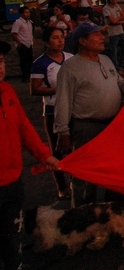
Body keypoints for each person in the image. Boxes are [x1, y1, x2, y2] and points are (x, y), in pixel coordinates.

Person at [54, 22, 124, 207]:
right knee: (86, 176)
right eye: (97, 35)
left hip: (112, 126)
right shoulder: (71, 67)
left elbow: (120, 86)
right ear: (83, 41)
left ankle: (112, 212)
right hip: (86, 127)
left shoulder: (106, 60)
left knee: (115, 172)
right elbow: (63, 101)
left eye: (102, 34)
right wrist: (63, 132)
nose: (102, 37)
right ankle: (83, 218)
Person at [0, 41, 59, 270]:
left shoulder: (7, 91)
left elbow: (23, 127)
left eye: (1, 61)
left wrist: (45, 155)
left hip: (12, 181)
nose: (0, 67)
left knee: (12, 233)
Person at [29, 26, 72, 201]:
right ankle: (62, 186)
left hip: (72, 109)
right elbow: (35, 89)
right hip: (53, 110)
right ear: (47, 42)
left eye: (61, 37)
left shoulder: (71, 58)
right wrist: (59, 89)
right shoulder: (40, 63)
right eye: (55, 38)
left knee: (75, 147)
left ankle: (77, 181)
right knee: (56, 150)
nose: (60, 41)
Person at [102, 0, 124, 69]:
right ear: (110, 0)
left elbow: (123, 15)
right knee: (114, 50)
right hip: (113, 33)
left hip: (120, 31)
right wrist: (120, 21)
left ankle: (120, 63)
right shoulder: (106, 9)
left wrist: (116, 20)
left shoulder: (116, 6)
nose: (116, 0)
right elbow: (112, 21)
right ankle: (116, 66)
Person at [11, 6, 34, 83]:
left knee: (30, 60)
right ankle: (25, 77)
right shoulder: (18, 22)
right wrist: (19, 43)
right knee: (24, 62)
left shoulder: (29, 22)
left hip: (29, 44)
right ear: (21, 14)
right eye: (26, 12)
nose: (28, 14)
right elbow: (14, 33)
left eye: (28, 12)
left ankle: (29, 76)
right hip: (23, 44)